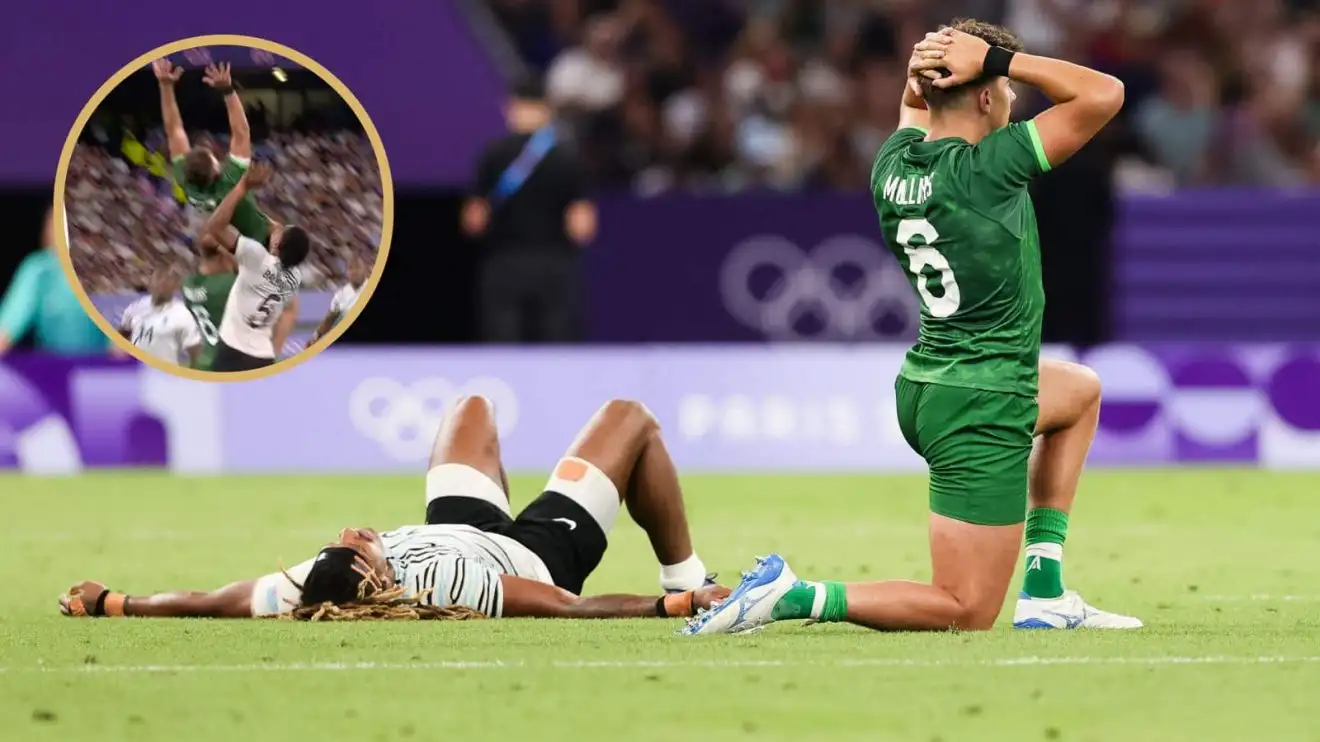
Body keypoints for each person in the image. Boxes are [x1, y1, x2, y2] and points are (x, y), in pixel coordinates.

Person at [686, 20, 1140, 636]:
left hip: (928, 385)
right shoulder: (991, 169)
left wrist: (925, 67)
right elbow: (1103, 94)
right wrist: (1000, 59)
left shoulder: (892, 163)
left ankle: (1045, 592)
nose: (1012, 99)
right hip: (984, 400)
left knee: (1078, 392)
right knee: (965, 609)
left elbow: (911, 106)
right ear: (986, 94)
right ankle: (796, 594)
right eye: (1004, 90)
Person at [59, 397, 725, 621]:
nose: (350, 532)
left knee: (470, 409)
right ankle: (687, 572)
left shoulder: (314, 589)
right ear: (380, 580)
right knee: (629, 419)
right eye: (357, 546)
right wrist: (671, 605)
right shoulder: (443, 587)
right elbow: (563, 606)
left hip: (458, 527)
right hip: (536, 556)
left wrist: (118, 601)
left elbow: (211, 601)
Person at [463, 78, 596, 344]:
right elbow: (582, 228)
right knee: (557, 348)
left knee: (503, 347)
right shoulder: (568, 157)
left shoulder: (493, 155)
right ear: (547, 109)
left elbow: (474, 221)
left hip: (505, 264)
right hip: (555, 266)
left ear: (511, 107)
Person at [204, 163, 308, 372]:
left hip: (233, 351)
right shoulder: (295, 277)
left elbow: (214, 227)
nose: (276, 228)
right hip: (263, 357)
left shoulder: (256, 257)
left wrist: (242, 187)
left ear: (278, 244)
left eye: (280, 231)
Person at [154, 59, 271, 244]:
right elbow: (241, 133)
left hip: (226, 247)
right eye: (213, 157)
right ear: (216, 171)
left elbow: (173, 128)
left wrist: (165, 86)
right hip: (256, 245)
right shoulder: (230, 182)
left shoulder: (186, 180)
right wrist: (228, 91)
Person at [0, 206, 108, 356]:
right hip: (49, 373)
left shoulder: (105, 269)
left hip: (100, 373)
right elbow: (4, 332)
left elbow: (121, 347)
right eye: (54, 223)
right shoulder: (37, 269)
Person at [118, 265, 201, 367]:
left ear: (175, 286)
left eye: (167, 281)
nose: (161, 284)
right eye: (158, 278)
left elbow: (194, 349)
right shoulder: (135, 308)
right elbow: (122, 336)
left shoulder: (182, 313)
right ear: (151, 283)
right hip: (137, 372)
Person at [181, 236, 238, 371]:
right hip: (233, 360)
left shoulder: (188, 284)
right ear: (222, 257)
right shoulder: (227, 284)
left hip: (207, 357)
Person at [309, 255, 368, 344]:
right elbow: (330, 318)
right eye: (350, 268)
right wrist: (316, 336)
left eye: (358, 267)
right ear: (347, 272)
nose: (354, 271)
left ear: (365, 269)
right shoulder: (340, 295)